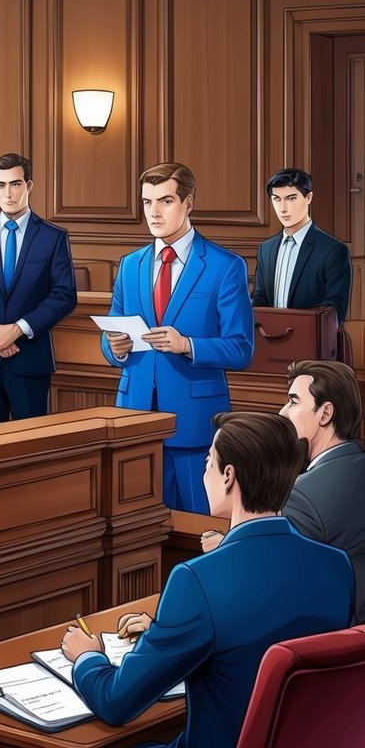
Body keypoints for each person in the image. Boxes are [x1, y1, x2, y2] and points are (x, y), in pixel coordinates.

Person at [61, 411, 353, 748]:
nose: (204, 473)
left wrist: (88, 657)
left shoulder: (196, 580)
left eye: (208, 462)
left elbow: (116, 702)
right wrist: (165, 628)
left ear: (229, 476)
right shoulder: (336, 566)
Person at [102, 162, 253, 513]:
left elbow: (242, 348)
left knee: (200, 528)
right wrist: (116, 348)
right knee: (135, 530)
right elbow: (110, 336)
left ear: (188, 204)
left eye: (165, 201)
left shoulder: (224, 266)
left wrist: (187, 345)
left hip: (195, 425)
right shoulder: (129, 265)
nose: (153, 212)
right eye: (147, 202)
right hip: (134, 420)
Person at [202, 359, 365, 622]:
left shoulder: (303, 495)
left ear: (325, 414)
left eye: (293, 401)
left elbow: (272, 579)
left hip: (330, 635)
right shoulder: (356, 462)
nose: (283, 412)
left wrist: (231, 549)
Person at [0, 153, 77, 425]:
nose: (8, 193)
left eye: (15, 184)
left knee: (30, 448)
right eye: (1, 185)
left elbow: (64, 295)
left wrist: (17, 329)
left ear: (29, 186)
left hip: (30, 359)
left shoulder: (53, 237)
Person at [250, 168, 350, 324]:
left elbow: (333, 310)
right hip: (268, 340)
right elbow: (259, 300)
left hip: (310, 342)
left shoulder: (333, 250)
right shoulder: (266, 249)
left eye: (291, 198)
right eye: (276, 199)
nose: (283, 208)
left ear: (308, 197)